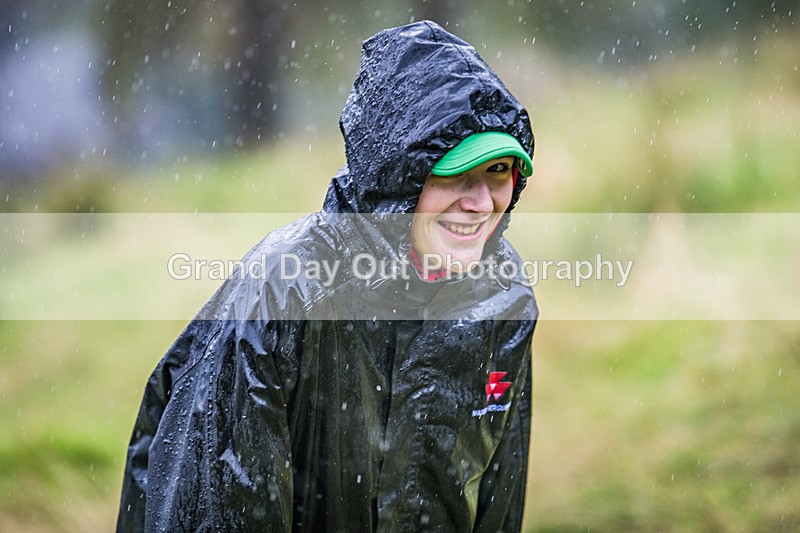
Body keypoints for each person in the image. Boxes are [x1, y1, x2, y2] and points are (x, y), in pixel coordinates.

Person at [117, 20, 537, 532]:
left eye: (498, 173)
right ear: (395, 180)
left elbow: (497, 500)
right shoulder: (282, 297)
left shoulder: (502, 297)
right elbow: (217, 512)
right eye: (457, 172)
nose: (480, 203)